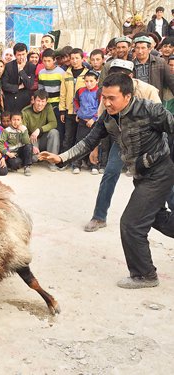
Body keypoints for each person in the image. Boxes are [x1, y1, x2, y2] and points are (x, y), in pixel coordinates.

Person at [40, 73, 174, 289]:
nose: (107, 102)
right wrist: (61, 158)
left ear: (128, 96)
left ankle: (145, 275)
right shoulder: (109, 118)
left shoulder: (150, 110)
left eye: (112, 98)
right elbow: (88, 141)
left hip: (159, 172)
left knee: (131, 224)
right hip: (141, 175)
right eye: (104, 97)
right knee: (156, 219)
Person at [81, 59, 161, 232]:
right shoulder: (109, 94)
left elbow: (160, 120)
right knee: (110, 173)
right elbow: (99, 126)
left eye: (122, 74)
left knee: (160, 178)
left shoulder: (148, 91)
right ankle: (99, 217)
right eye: (113, 74)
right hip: (122, 141)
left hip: (148, 142)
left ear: (130, 76)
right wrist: (94, 148)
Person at [22, 89, 59, 171]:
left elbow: (53, 123)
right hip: (31, 139)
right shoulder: (25, 111)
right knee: (35, 159)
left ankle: (52, 162)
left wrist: (39, 129)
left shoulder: (48, 107)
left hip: (43, 138)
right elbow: (23, 131)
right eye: (38, 101)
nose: (40, 104)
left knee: (54, 132)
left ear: (46, 102)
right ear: (33, 100)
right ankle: (38, 156)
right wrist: (30, 145)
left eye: (43, 101)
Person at [72, 70, 101, 174]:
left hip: (95, 122)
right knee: (80, 142)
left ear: (97, 81)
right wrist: (78, 112)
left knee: (94, 143)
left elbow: (101, 107)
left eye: (91, 81)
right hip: (82, 121)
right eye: (86, 81)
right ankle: (76, 164)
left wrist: (94, 119)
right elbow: (75, 101)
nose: (89, 83)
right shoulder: (80, 91)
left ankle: (94, 165)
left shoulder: (100, 92)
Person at [59, 48, 88, 152]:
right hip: (69, 111)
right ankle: (65, 161)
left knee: (80, 137)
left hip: (83, 111)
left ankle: (78, 161)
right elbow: (63, 93)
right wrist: (62, 110)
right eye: (72, 58)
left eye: (77, 58)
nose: (74, 61)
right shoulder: (66, 74)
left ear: (82, 59)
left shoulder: (87, 74)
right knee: (68, 137)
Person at [38, 48, 65, 150]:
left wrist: (62, 108)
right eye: (44, 61)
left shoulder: (61, 72)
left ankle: (58, 155)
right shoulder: (41, 73)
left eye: (49, 60)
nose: (46, 63)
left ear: (54, 60)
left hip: (58, 105)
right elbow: (41, 90)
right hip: (46, 106)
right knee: (47, 129)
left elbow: (63, 91)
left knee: (58, 130)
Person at [132, 35, 174, 101]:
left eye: (143, 48)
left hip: (155, 100)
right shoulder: (130, 65)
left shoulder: (160, 62)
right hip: (137, 101)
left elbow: (171, 82)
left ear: (149, 49)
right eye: (137, 48)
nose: (140, 51)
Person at [1, 42, 36, 113]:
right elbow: (4, 85)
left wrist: (21, 70)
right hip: (10, 101)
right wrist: (18, 87)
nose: (21, 57)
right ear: (15, 55)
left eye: (23, 54)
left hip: (24, 102)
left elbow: (29, 85)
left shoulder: (31, 66)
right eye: (19, 55)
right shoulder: (8, 66)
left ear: (26, 53)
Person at [0, 110, 33, 176]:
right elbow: (0, 143)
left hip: (21, 150)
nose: (16, 122)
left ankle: (27, 166)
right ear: (10, 120)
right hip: (12, 152)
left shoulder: (24, 128)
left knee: (29, 146)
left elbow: (26, 142)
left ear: (21, 120)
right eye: (14, 120)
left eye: (18, 120)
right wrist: (7, 153)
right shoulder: (7, 130)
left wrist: (22, 132)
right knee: (16, 163)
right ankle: (21, 162)